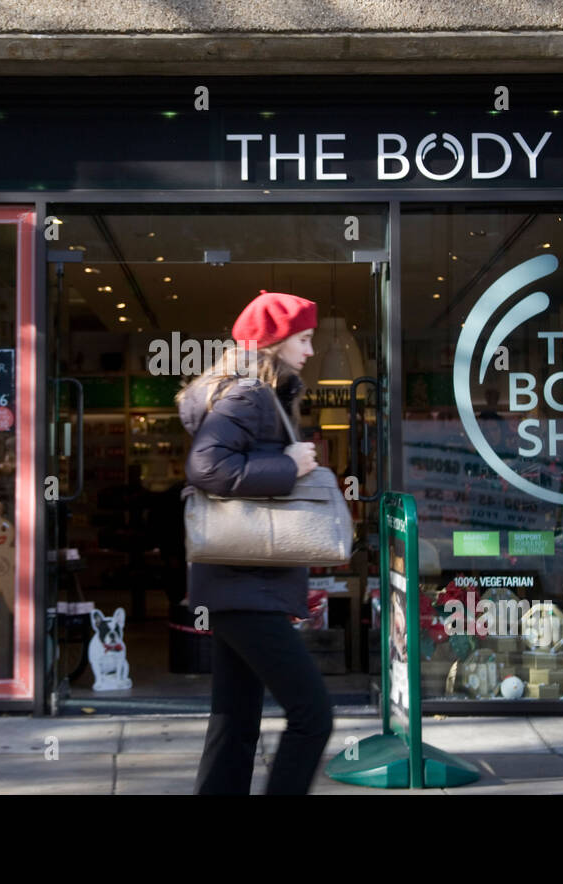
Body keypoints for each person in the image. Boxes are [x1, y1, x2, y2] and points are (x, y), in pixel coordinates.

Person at [178, 290, 334, 795]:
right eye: (304, 339)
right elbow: (206, 467)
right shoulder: (250, 395)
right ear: (274, 343)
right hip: (245, 585)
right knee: (313, 714)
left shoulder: (257, 393)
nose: (310, 351)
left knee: (235, 722)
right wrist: (291, 466)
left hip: (236, 582)